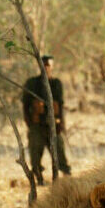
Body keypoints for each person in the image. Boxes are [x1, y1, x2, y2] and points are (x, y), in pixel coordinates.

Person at [22, 55, 71, 185]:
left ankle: (67, 180)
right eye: (43, 65)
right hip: (37, 125)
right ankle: (39, 180)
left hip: (53, 125)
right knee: (35, 155)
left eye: (48, 65)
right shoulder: (32, 83)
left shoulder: (56, 84)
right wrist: (29, 122)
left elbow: (60, 105)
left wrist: (61, 124)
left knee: (59, 152)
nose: (46, 67)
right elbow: (25, 104)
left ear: (52, 67)